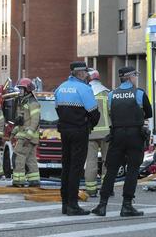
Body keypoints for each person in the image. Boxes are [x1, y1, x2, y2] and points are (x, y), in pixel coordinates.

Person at [92, 66, 152, 217]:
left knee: (111, 170)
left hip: (117, 135)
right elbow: (149, 113)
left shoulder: (111, 95)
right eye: (135, 76)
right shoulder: (139, 93)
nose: (136, 79)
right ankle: (127, 206)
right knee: (132, 170)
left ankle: (102, 205)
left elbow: (110, 112)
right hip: (134, 136)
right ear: (130, 77)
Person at [55, 61, 100, 216]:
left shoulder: (60, 88)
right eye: (86, 73)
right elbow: (94, 113)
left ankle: (65, 204)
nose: (88, 75)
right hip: (79, 131)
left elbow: (57, 110)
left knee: (66, 166)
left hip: (65, 131)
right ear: (80, 73)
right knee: (76, 168)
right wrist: (88, 124)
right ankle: (73, 205)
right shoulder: (85, 89)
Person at [84, 69, 110, 197]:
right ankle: (107, 189)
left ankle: (91, 190)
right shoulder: (106, 93)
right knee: (108, 161)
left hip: (90, 133)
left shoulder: (85, 93)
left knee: (91, 162)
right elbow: (112, 113)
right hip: (106, 133)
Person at [11, 78, 41, 187]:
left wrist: (28, 136)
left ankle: (18, 181)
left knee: (18, 156)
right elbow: (24, 121)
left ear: (27, 90)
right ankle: (34, 180)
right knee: (30, 159)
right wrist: (14, 131)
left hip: (27, 137)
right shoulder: (25, 102)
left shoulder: (32, 103)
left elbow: (35, 121)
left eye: (21, 89)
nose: (20, 91)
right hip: (28, 136)